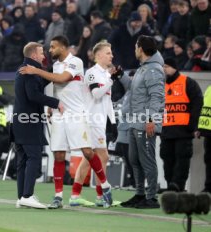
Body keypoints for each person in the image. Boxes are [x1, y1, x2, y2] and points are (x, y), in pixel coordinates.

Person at [19, 35, 113, 209]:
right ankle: (58, 197)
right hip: (59, 115)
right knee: (59, 155)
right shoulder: (54, 65)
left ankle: (105, 186)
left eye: (53, 47)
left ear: (63, 47)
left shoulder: (75, 62)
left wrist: (36, 71)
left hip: (77, 114)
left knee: (87, 151)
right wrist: (51, 105)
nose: (50, 50)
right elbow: (57, 86)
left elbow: (62, 78)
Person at [68, 42, 120, 207]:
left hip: (100, 121)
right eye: (108, 53)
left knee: (89, 157)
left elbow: (107, 101)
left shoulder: (104, 74)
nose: (111, 56)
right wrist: (112, 80)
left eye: (111, 53)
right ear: (98, 55)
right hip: (91, 120)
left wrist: (112, 122)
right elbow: (97, 94)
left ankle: (76, 195)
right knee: (102, 156)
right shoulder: (91, 73)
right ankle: (100, 196)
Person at [13, 42, 63, 209]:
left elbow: (37, 86)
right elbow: (33, 95)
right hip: (29, 122)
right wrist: (56, 102)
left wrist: (52, 75)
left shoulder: (23, 69)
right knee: (33, 158)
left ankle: (22, 196)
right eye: (41, 53)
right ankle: (27, 195)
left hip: (19, 122)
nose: (44, 56)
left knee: (23, 160)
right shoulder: (29, 72)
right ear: (34, 55)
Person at [119, 35, 165, 209]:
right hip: (135, 121)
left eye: (136, 46)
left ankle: (152, 198)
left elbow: (157, 97)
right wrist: (120, 76)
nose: (134, 49)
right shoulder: (143, 68)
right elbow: (132, 88)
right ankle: (140, 194)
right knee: (134, 159)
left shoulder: (153, 70)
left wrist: (152, 118)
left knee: (146, 159)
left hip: (146, 121)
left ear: (141, 49)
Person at [161, 58, 203, 192]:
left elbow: (197, 105)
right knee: (167, 158)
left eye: (166, 66)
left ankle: (178, 185)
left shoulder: (187, 82)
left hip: (183, 131)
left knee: (182, 158)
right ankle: (170, 184)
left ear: (174, 67)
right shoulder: (160, 85)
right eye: (162, 67)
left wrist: (195, 126)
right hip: (166, 130)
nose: (164, 69)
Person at [195, 85, 211, 193]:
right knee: (209, 160)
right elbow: (204, 108)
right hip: (208, 131)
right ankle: (209, 187)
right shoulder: (210, 88)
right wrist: (199, 127)